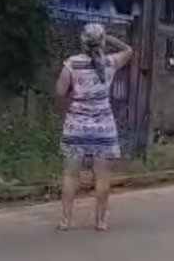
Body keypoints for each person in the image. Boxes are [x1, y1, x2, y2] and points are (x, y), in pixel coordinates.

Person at [55, 23, 133, 231]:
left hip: (77, 125)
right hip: (103, 127)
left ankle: (65, 220)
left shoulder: (71, 64)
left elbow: (60, 91)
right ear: (102, 41)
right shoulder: (110, 62)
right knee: (102, 175)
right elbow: (129, 51)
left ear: (82, 40)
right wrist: (109, 39)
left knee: (71, 175)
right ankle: (100, 221)